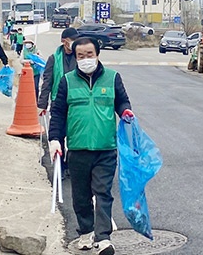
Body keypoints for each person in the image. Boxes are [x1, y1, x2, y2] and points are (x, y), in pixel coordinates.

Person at [48, 37, 133, 255]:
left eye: (89, 54)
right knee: (81, 195)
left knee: (103, 192)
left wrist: (125, 111)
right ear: (75, 57)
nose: (86, 59)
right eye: (81, 56)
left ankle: (103, 238)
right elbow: (58, 112)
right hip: (77, 149)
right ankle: (85, 231)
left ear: (97, 54)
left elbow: (122, 101)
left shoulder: (112, 78)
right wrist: (55, 139)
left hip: (105, 149)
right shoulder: (67, 81)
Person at [38, 27, 79, 179]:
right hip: (58, 103)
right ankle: (60, 166)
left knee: (74, 136)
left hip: (77, 102)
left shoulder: (80, 56)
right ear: (64, 41)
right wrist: (42, 104)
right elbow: (47, 82)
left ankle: (70, 164)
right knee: (59, 135)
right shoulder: (53, 59)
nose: (74, 42)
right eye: (72, 39)